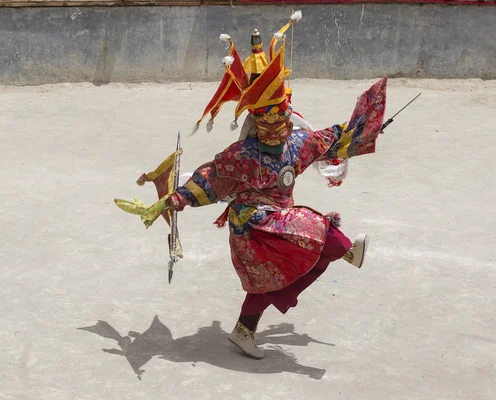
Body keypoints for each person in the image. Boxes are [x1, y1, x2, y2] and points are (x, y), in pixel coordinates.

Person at [117, 13, 387, 360]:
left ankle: (243, 331)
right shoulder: (242, 156)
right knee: (312, 225)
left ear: (287, 112)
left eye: (280, 113)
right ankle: (348, 251)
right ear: (255, 120)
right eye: (266, 116)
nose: (274, 122)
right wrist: (178, 198)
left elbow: (332, 140)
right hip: (252, 225)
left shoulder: (296, 145)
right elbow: (210, 179)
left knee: (271, 278)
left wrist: (367, 128)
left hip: (278, 219)